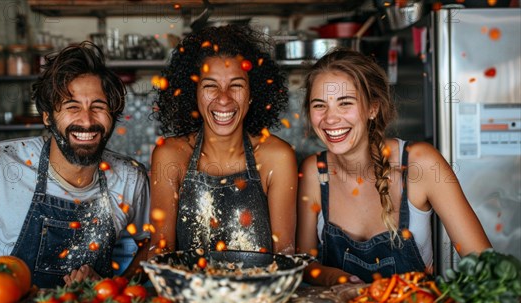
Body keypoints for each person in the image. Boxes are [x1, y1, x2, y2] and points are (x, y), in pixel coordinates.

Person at [0, 42, 150, 288]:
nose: (86, 120)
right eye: (72, 107)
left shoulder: (130, 177)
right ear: (47, 116)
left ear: (113, 115)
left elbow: (156, 245)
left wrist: (118, 288)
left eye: (98, 106)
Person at [296, 48, 492, 285]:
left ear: (372, 108)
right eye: (319, 105)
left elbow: (485, 266)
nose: (330, 118)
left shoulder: (421, 164)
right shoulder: (315, 171)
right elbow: (303, 262)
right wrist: (335, 278)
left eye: (344, 103)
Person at [149, 25, 297, 257]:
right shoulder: (170, 155)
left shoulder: (277, 157)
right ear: (192, 92)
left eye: (236, 85)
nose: (224, 99)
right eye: (210, 86)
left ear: (252, 94)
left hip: (258, 291)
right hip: (188, 291)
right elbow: (160, 251)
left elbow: (285, 255)